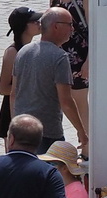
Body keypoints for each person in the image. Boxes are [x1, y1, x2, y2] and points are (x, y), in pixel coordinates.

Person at [12, 8, 84, 154]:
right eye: (69, 24)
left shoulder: (23, 51)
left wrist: (13, 126)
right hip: (47, 134)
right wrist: (81, 131)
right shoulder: (59, 57)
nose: (72, 28)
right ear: (55, 26)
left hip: (20, 131)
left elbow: (14, 93)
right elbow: (66, 102)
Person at [0, 7, 41, 139]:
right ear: (23, 26)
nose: (39, 23)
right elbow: (3, 88)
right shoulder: (12, 52)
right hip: (13, 109)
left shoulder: (34, 48)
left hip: (32, 106)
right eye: (34, 21)